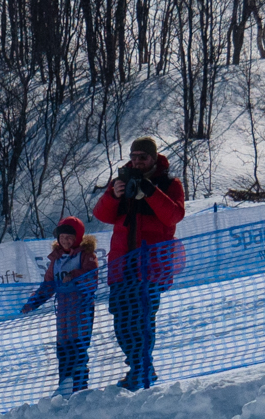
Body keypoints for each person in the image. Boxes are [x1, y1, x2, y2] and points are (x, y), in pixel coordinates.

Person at [91, 137, 186, 389]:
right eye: (133, 157)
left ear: (154, 159)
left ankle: (142, 369)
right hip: (122, 266)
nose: (137, 162)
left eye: (142, 157)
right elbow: (101, 215)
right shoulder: (121, 182)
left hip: (151, 268)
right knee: (121, 321)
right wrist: (113, 194)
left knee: (142, 320)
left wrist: (151, 191)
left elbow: (174, 215)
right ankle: (138, 366)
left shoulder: (169, 183)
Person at [21, 217, 99, 394]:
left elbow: (91, 277)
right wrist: (32, 304)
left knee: (78, 350)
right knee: (63, 350)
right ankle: (65, 387)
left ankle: (80, 389)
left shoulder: (86, 255)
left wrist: (74, 275)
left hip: (82, 312)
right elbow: (48, 286)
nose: (65, 240)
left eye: (70, 237)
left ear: (78, 238)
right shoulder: (56, 259)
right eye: (62, 236)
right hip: (63, 314)